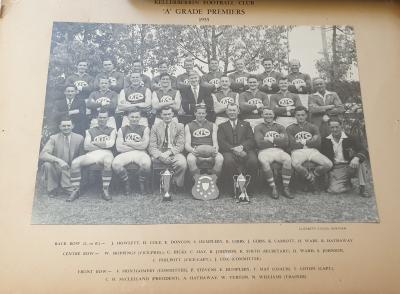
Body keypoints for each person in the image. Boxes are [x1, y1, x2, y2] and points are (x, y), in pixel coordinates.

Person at [68, 111, 116, 202]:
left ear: (107, 119)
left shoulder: (112, 130)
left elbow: (111, 144)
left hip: (106, 153)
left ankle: (105, 189)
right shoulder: (90, 130)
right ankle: (75, 190)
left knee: (108, 162)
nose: (102, 119)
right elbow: (86, 146)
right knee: (75, 163)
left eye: (104, 117)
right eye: (100, 117)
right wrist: (104, 144)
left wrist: (94, 143)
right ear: (97, 118)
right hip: (92, 154)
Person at [287, 106, 333, 190]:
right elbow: (292, 144)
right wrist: (310, 141)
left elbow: (318, 143)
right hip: (297, 151)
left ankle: (314, 174)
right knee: (295, 164)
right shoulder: (290, 128)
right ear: (295, 116)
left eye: (302, 115)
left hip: (312, 151)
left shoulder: (313, 127)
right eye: (298, 115)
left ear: (306, 115)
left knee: (328, 164)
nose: (300, 117)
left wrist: (301, 142)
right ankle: (310, 178)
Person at [217, 103, 258, 197]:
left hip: (245, 149)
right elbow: (221, 141)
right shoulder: (222, 126)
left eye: (234, 110)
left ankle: (248, 187)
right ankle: (234, 187)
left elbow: (251, 139)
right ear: (226, 112)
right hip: (229, 150)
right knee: (228, 161)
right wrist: (233, 149)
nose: (232, 112)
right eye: (230, 110)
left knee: (253, 160)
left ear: (238, 111)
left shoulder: (246, 124)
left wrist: (242, 147)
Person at [321, 118, 369, 197]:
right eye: (332, 127)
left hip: (351, 165)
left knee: (360, 162)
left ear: (341, 126)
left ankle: (363, 188)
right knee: (334, 190)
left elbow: (364, 150)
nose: (335, 129)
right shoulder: (325, 140)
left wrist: (356, 158)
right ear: (329, 128)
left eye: (337, 127)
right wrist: (329, 173)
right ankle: (347, 184)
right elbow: (322, 156)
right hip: (337, 168)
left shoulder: (351, 138)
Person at [39, 117, 84, 198]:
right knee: (47, 164)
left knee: (74, 190)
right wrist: (59, 161)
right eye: (63, 126)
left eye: (68, 125)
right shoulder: (54, 138)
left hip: (72, 169)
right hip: (58, 168)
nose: (66, 128)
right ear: (60, 127)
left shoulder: (79, 138)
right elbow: (43, 154)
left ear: (72, 126)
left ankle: (68, 187)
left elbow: (82, 157)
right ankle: (53, 189)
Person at [254, 107, 293, 199]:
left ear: (274, 115)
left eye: (270, 114)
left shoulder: (280, 127)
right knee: (264, 161)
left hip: (278, 150)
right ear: (262, 115)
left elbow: (286, 142)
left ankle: (286, 187)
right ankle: (273, 187)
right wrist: (278, 140)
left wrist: (270, 139)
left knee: (288, 159)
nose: (268, 116)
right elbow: (259, 143)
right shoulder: (258, 127)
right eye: (266, 114)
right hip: (264, 151)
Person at [148, 106, 187, 194]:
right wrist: (161, 156)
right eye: (165, 114)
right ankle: (160, 184)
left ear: (173, 114)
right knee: (151, 160)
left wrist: (169, 153)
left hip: (174, 152)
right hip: (159, 152)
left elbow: (180, 145)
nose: (167, 116)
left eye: (169, 114)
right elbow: (152, 147)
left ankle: (176, 184)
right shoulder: (155, 127)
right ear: (161, 115)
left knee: (182, 163)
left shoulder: (180, 126)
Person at [112, 110, 151, 195]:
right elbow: (119, 148)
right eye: (132, 117)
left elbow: (144, 146)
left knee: (146, 164)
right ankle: (126, 181)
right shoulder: (122, 129)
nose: (134, 119)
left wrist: (128, 143)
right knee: (115, 164)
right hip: (125, 153)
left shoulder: (145, 128)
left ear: (140, 118)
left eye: (136, 117)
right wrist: (137, 145)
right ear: (128, 118)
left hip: (141, 153)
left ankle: (141, 182)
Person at [185, 104, 223, 178]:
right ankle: (196, 180)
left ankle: (213, 180)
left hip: (210, 151)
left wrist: (215, 152)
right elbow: (187, 144)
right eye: (199, 113)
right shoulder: (188, 125)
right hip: (196, 151)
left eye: (203, 113)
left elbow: (215, 142)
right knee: (190, 159)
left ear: (206, 114)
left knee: (220, 158)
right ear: (195, 113)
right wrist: (192, 150)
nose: (201, 115)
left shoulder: (213, 125)